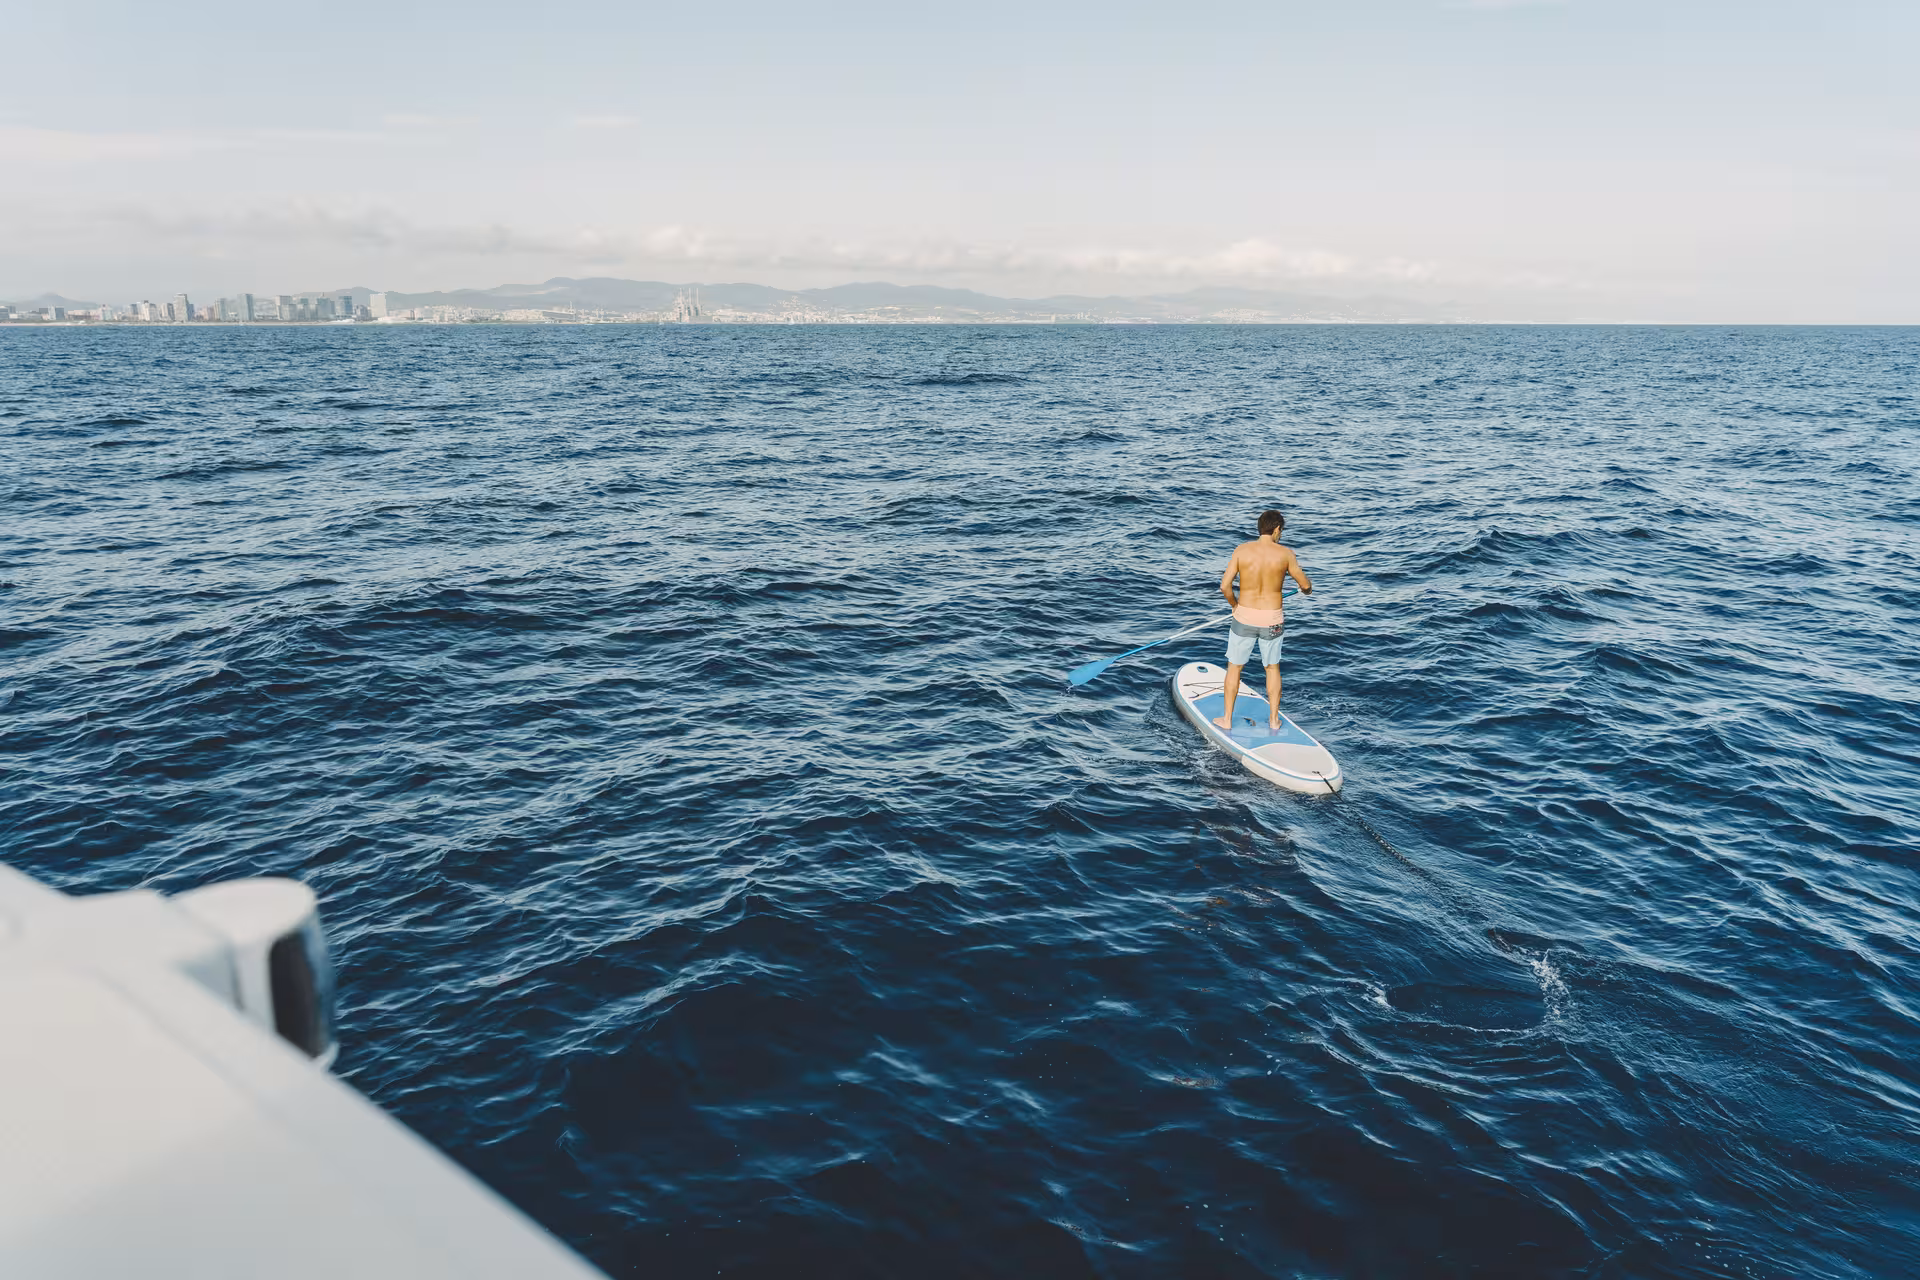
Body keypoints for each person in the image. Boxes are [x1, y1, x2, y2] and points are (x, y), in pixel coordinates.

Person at [1214, 509, 1312, 733]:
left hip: (1244, 616)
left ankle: (1227, 719)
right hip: (1272, 619)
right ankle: (1274, 721)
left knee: (1235, 668)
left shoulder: (1241, 550)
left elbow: (1224, 586)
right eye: (1281, 531)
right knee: (1272, 668)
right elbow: (1305, 586)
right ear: (1277, 529)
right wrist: (1306, 590)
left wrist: (1235, 605)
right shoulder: (1286, 554)